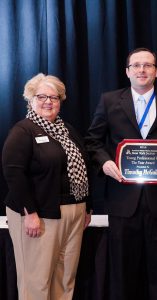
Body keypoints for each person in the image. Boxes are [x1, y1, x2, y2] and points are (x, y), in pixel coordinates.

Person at [85, 48, 157, 300]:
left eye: (147, 65)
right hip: (123, 200)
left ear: (156, 71)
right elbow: (93, 141)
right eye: (136, 66)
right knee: (122, 270)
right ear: (127, 71)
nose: (141, 70)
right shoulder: (110, 101)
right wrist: (105, 163)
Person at [2, 73, 92, 300]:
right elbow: (14, 174)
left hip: (73, 213)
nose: (48, 102)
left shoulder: (68, 130)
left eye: (54, 97)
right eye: (42, 96)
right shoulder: (23, 131)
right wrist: (29, 212)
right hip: (39, 214)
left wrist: (86, 208)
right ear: (30, 99)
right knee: (36, 282)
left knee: (65, 279)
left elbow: (83, 168)